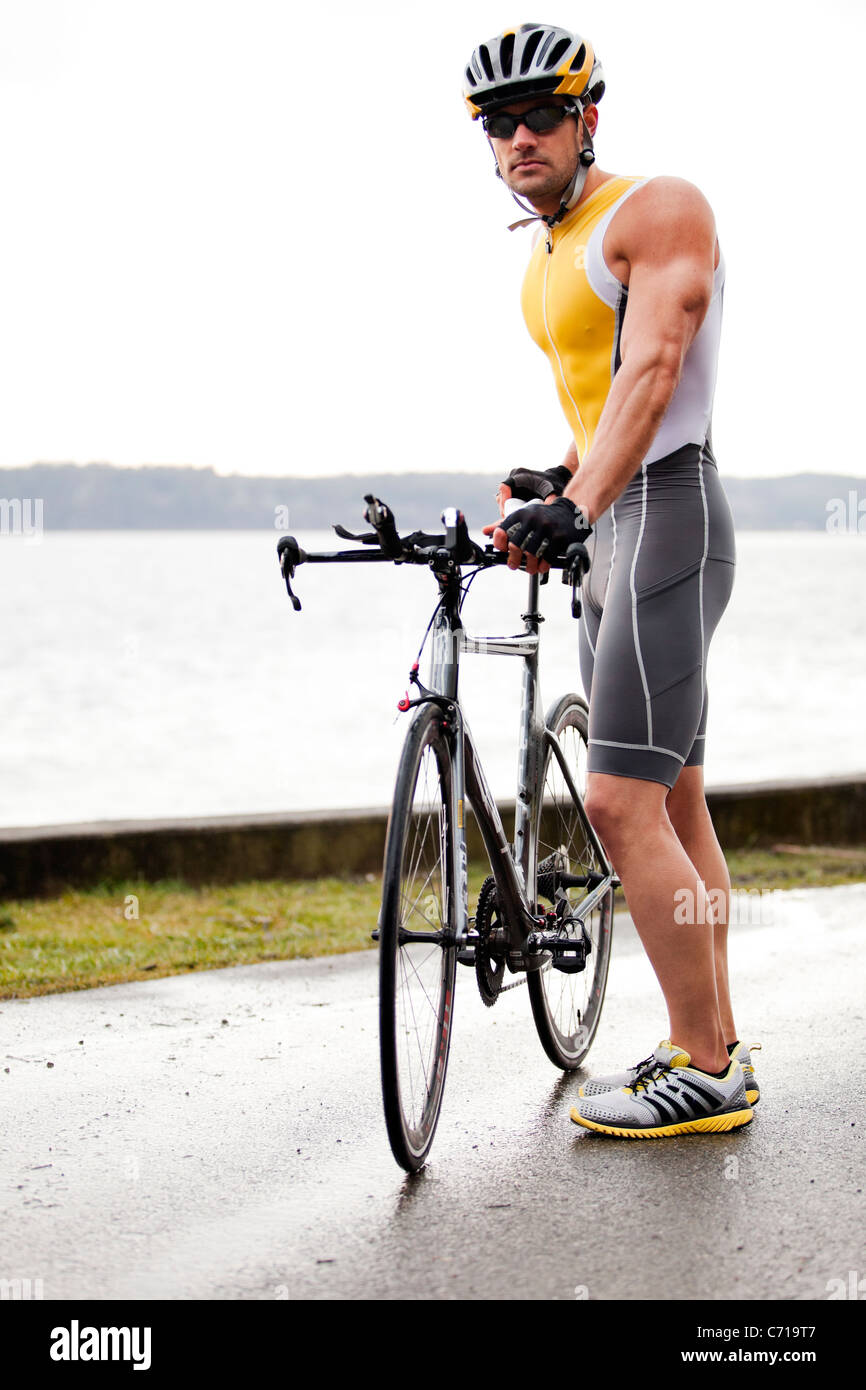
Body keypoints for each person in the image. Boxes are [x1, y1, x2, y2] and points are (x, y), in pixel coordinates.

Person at [463, 22, 759, 1138]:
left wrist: (578, 503)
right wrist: (562, 478)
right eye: (498, 123)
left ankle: (705, 1062)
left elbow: (654, 368)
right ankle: (712, 1035)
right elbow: (600, 405)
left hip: (664, 516)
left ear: (589, 118)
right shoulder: (546, 251)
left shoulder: (655, 207)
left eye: (542, 114)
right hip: (618, 521)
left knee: (614, 799)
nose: (519, 135)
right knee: (673, 797)